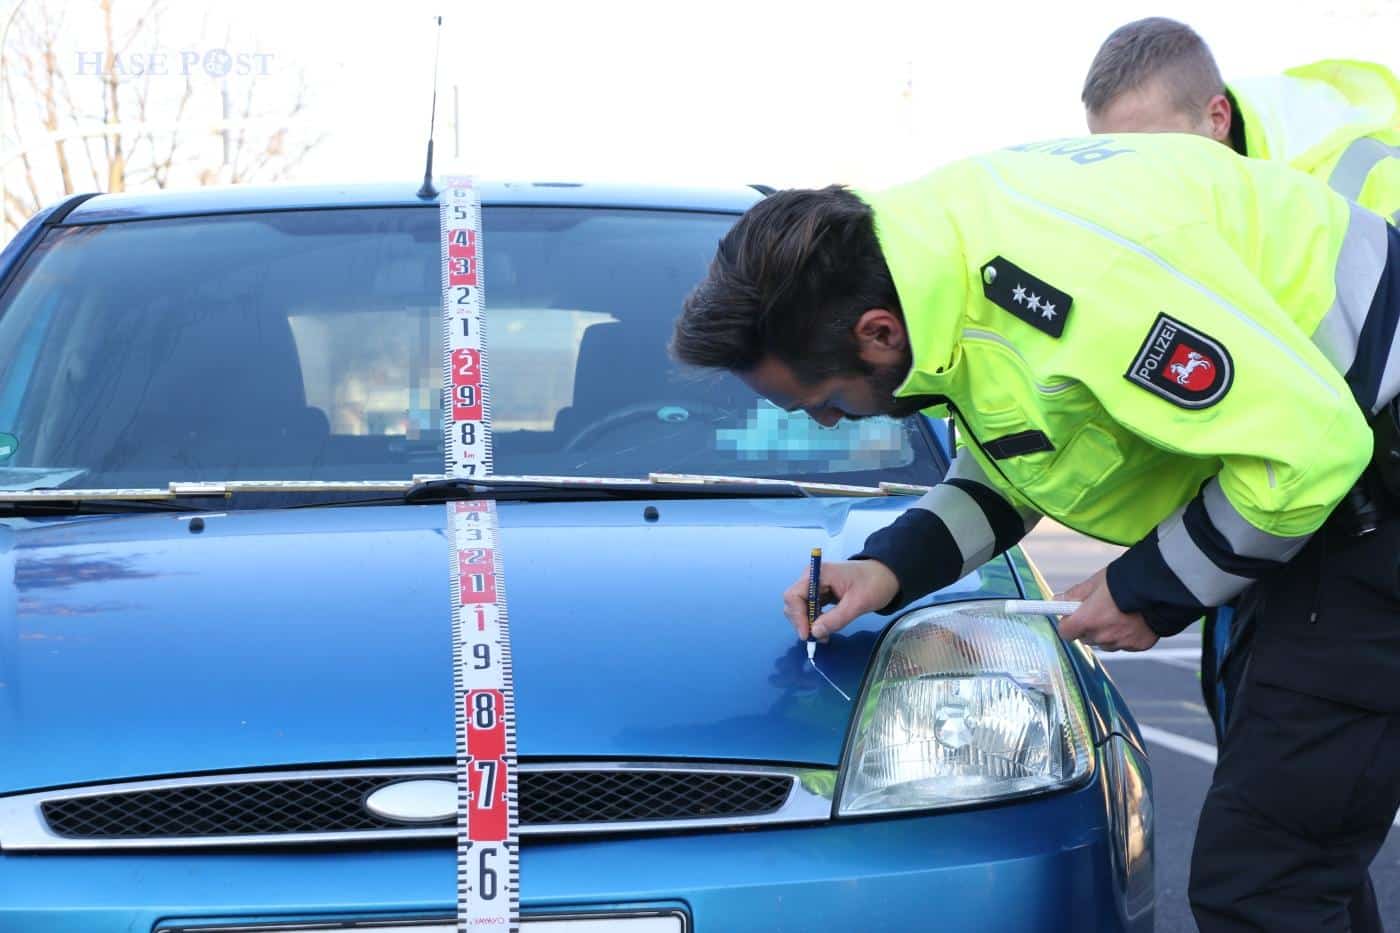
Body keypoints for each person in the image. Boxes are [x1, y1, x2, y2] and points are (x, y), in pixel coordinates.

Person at [671, 133, 1400, 932]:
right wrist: (888, 568)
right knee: (1300, 855)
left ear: (876, 335)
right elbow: (1022, 458)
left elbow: (1311, 449)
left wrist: (1145, 591)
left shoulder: (1073, 286)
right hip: (1331, 501)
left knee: (1264, 879)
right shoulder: (939, 268)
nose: (823, 419)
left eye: (827, 401)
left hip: (1365, 487)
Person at [1083, 17, 1400, 223]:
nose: (1134, 178)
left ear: (1218, 119)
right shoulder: (1196, 142)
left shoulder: (1362, 178)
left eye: (1154, 150)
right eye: (1112, 155)